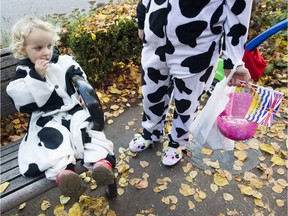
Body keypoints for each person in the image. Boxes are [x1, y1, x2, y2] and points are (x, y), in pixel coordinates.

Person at [129, 0, 252, 166]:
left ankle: (178, 142)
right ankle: (151, 132)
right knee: (151, 95)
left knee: (186, 102)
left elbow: (238, 9)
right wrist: (142, 18)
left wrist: (233, 60)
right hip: (154, 44)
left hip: (197, 50)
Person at [6, 16, 115, 198]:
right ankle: (64, 174)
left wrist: (82, 92)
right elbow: (21, 100)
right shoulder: (24, 72)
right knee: (51, 139)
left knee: (88, 130)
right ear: (23, 50)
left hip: (72, 111)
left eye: (49, 45)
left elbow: (79, 76)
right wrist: (37, 77)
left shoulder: (63, 62)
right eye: (38, 48)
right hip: (45, 117)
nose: (46, 52)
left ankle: (101, 163)